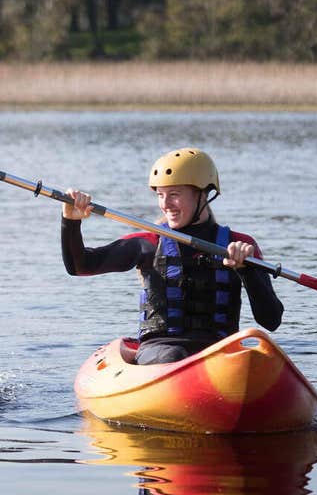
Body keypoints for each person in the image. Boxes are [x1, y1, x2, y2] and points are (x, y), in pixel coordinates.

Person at [60, 148, 282, 365]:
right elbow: (80, 266)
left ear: (203, 194)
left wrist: (247, 270)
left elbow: (271, 320)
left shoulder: (241, 246)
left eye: (174, 195)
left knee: (244, 359)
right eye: (160, 195)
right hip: (160, 349)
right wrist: (71, 221)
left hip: (220, 351)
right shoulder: (148, 243)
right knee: (174, 356)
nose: (165, 204)